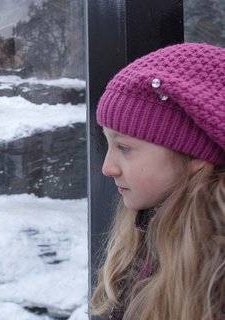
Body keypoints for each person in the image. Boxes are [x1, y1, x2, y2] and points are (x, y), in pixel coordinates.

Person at [90, 42, 225, 320]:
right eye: (108, 145)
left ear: (193, 154)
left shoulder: (216, 271)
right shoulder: (144, 233)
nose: (107, 168)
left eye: (124, 148)